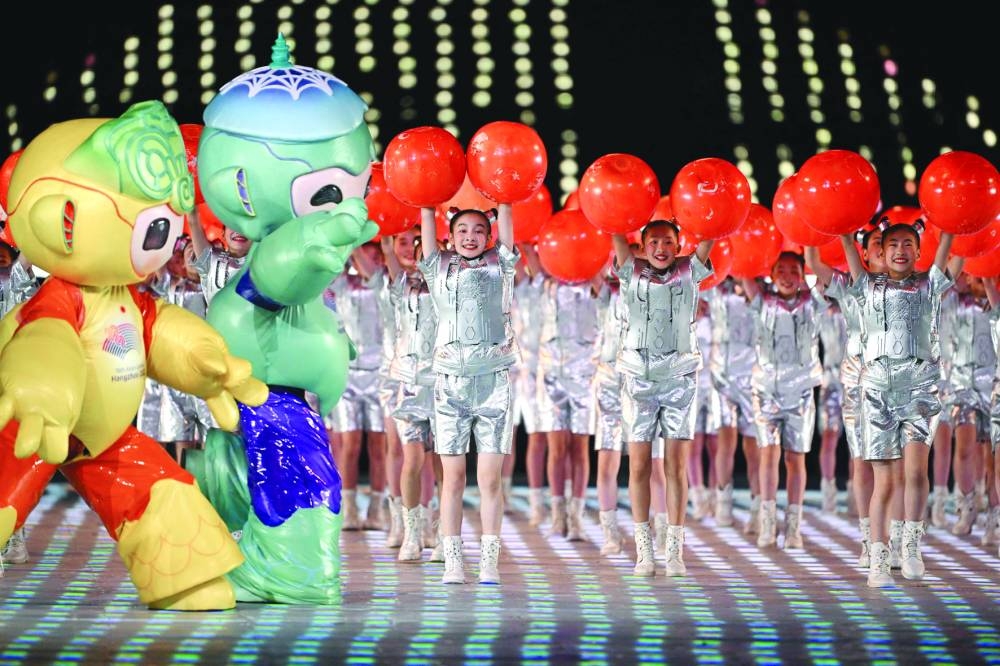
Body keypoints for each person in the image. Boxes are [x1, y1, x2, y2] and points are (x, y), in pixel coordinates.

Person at [840, 219, 956, 587]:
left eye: (908, 244)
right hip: (877, 391)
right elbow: (848, 250)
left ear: (919, 252)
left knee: (916, 473)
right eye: (893, 245)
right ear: (879, 251)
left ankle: (912, 546)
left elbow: (950, 249)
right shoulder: (866, 286)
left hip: (921, 390)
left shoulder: (930, 284)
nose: (901, 251)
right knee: (885, 481)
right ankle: (878, 554)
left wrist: (952, 226)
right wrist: (842, 229)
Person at [419, 203, 519, 585]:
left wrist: (506, 200)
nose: (471, 237)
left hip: (493, 382)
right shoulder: (437, 266)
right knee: (454, 476)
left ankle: (489, 561)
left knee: (490, 479)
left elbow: (508, 234)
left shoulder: (501, 266)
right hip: (450, 385)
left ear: (489, 236)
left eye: (479, 230)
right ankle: (454, 560)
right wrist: (428, 204)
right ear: (450, 236)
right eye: (462, 230)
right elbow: (427, 222)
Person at [611, 220, 714, 576]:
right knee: (639, 465)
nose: (660, 248)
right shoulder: (631, 271)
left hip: (680, 379)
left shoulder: (690, 270)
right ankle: (644, 550)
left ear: (679, 244)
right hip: (638, 379)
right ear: (641, 245)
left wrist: (712, 214)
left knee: (675, 467)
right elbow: (614, 229)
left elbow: (709, 235)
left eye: (668, 241)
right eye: (653, 241)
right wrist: (613, 215)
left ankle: (674, 550)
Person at [805, 224, 886, 567]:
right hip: (846, 381)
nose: (885, 250)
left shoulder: (915, 286)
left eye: (890, 243)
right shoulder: (849, 291)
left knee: (890, 465)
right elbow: (814, 263)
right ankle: (868, 536)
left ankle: (893, 538)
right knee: (856, 454)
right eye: (878, 245)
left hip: (894, 384)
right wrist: (820, 228)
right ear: (863, 252)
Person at [742, 251, 826, 551]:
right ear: (772, 272)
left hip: (801, 392)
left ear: (802, 275)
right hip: (766, 391)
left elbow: (821, 272)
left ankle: (793, 527)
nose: (788, 276)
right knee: (768, 455)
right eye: (782, 270)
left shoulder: (813, 303)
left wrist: (812, 248)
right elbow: (741, 268)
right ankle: (767, 522)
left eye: (794, 270)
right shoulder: (761, 301)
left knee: (795, 459)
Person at [381, 226, 441, 562]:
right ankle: (411, 532)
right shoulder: (403, 288)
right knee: (413, 459)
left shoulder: (451, 291)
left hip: (444, 384)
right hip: (409, 384)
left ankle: (444, 533)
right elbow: (390, 258)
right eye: (420, 255)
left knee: (445, 462)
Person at [535, 254, 603, 541]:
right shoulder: (546, 283)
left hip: (586, 374)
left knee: (579, 447)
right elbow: (527, 252)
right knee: (556, 447)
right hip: (552, 373)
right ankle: (557, 514)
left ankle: (576, 517)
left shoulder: (596, 286)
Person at [325, 243, 388, 531]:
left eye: (375, 257)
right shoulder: (341, 285)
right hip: (347, 374)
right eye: (364, 255)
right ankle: (347, 507)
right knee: (349, 445)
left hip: (379, 374)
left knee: (379, 446)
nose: (368, 262)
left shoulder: (383, 286)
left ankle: (377, 509)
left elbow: (374, 274)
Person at [137, 236, 215, 465]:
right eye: (185, 254)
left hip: (203, 369)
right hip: (172, 370)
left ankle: (210, 480)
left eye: (194, 254)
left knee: (210, 433)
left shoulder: (210, 288)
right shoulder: (172, 287)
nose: (188, 259)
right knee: (175, 432)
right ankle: (176, 478)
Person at [943, 271, 996, 539]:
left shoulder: (996, 303)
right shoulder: (953, 300)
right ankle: (967, 506)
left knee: (992, 458)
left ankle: (994, 517)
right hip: (962, 385)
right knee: (964, 448)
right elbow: (942, 281)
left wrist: (989, 284)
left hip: (993, 387)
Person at [707, 276, 761, 532]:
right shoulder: (715, 287)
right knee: (725, 441)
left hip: (752, 375)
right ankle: (723, 501)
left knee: (753, 447)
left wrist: (745, 275)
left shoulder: (761, 288)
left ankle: (757, 507)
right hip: (722, 376)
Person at [513, 244, 551, 527]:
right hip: (523, 371)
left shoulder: (557, 288)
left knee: (554, 441)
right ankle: (536, 503)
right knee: (529, 438)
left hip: (554, 372)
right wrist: (523, 241)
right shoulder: (523, 288)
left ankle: (559, 504)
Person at [816, 289, 848, 513]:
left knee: (859, 441)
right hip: (830, 380)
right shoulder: (820, 308)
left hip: (856, 379)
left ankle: (857, 491)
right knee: (829, 436)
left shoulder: (855, 302)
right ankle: (828, 491)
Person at [688, 297, 719, 521]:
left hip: (716, 384)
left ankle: (716, 497)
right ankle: (698, 497)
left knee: (715, 445)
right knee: (694, 444)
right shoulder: (683, 306)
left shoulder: (717, 309)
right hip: (691, 385)